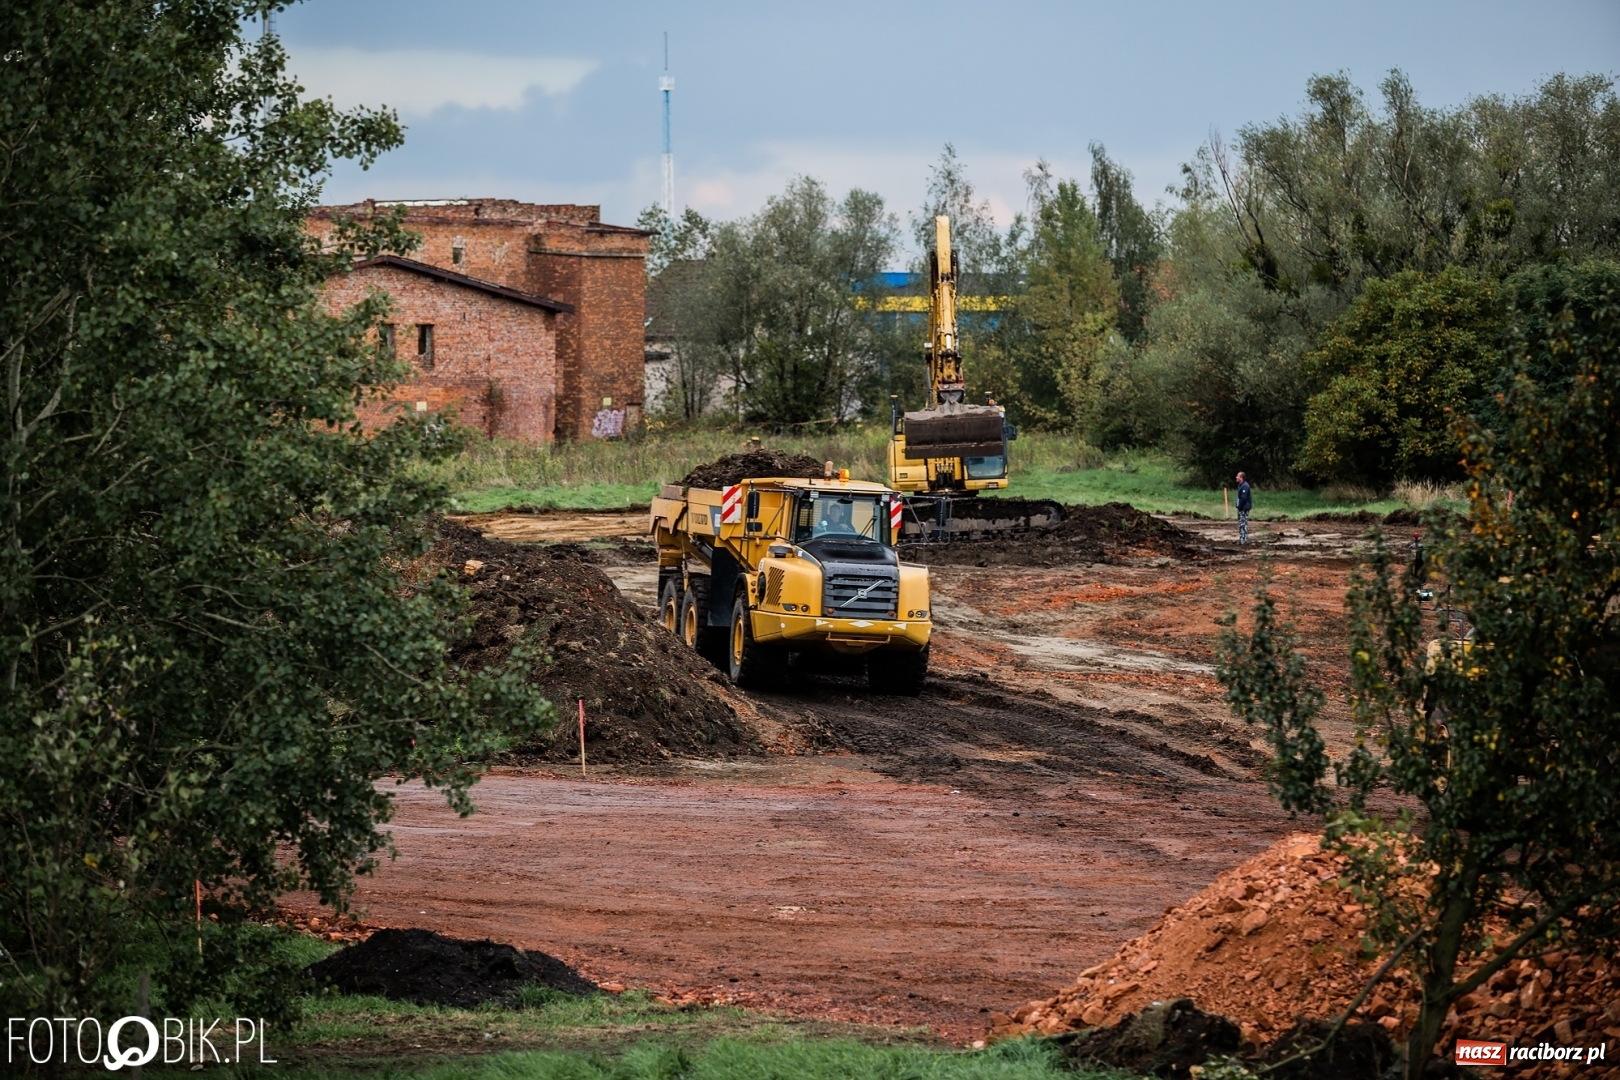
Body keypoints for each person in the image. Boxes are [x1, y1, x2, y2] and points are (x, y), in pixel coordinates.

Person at [1235, 472, 1252, 545]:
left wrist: (1240, 506)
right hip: (1242, 508)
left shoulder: (1245, 486)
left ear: (1241, 478)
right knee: (1241, 524)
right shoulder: (1241, 485)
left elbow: (1243, 498)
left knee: (1243, 524)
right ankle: (1242, 539)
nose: (1236, 477)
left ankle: (1243, 540)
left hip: (1244, 508)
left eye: (1237, 476)